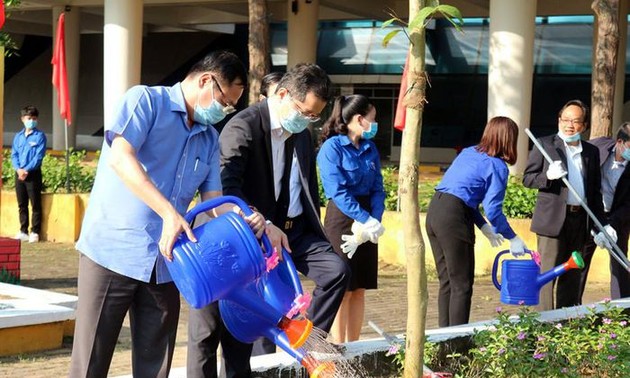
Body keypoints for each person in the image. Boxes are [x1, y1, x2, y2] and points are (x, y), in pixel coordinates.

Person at [68, 50, 265, 378]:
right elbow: (121, 158)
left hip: (166, 264)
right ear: (205, 80)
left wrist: (248, 219)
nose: (225, 111)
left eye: (231, 106)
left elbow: (214, 202)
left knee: (155, 366)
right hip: (111, 255)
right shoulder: (145, 101)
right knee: (90, 362)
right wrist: (169, 213)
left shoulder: (209, 138)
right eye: (225, 101)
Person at [187, 63, 350, 377]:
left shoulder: (300, 133)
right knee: (213, 334)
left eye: (315, 116)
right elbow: (224, 188)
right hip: (236, 237)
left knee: (336, 271)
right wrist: (261, 222)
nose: (307, 120)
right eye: (305, 111)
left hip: (287, 234)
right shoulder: (244, 126)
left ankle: (305, 340)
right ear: (284, 94)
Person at [426, 116, 526, 327]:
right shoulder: (497, 166)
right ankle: (457, 345)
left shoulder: (469, 152)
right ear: (510, 140)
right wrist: (513, 237)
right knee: (462, 285)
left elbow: (459, 193)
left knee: (447, 282)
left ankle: (443, 341)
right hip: (454, 217)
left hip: (435, 210)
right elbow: (493, 209)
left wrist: (482, 226)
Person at [523, 99, 610, 311]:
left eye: (576, 121)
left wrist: (602, 225)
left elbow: (594, 192)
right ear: (559, 120)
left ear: (584, 125)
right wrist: (548, 176)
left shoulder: (591, 151)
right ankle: (542, 328)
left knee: (572, 275)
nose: (569, 124)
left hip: (579, 221)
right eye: (565, 119)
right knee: (547, 275)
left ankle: (567, 325)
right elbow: (528, 179)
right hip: (552, 222)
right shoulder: (545, 145)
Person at [316, 94, 386, 343]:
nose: (375, 123)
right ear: (359, 119)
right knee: (343, 288)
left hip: (366, 219)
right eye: (372, 119)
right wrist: (363, 218)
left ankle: (354, 346)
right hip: (342, 219)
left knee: (359, 288)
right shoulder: (332, 148)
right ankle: (339, 345)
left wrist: (374, 221)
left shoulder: (370, 148)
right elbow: (337, 191)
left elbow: (378, 187)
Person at [579, 122, 630, 300]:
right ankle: (571, 309)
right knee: (580, 264)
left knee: (620, 268)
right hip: (590, 215)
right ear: (620, 142)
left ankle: (621, 314)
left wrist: (611, 226)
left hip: (617, 220)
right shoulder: (597, 146)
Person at [11, 105, 46, 243]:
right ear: (22, 119)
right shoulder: (18, 137)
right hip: (19, 174)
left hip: (33, 175)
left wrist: (26, 170)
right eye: (29, 118)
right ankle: (23, 230)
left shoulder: (40, 136)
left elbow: (38, 156)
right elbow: (14, 154)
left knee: (35, 204)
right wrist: (18, 169)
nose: (31, 121)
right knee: (22, 204)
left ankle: (35, 231)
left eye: (34, 118)